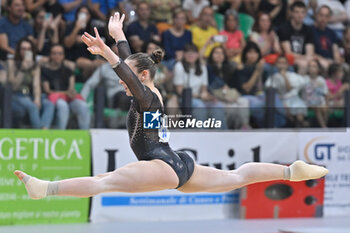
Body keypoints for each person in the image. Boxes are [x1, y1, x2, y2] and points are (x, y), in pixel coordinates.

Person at [14, 13, 328, 200]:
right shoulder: (150, 92)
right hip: (179, 163)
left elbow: (126, 72)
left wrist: (107, 53)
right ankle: (290, 170)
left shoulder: (147, 96)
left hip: (162, 166)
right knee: (235, 178)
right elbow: (130, 66)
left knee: (104, 181)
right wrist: (119, 36)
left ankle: (46, 189)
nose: (123, 83)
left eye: (129, 79)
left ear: (144, 76)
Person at [173, 43, 227, 128]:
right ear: (184, 54)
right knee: (200, 106)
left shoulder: (202, 67)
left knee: (217, 105)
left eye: (193, 52)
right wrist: (200, 96)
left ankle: (222, 135)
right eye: (188, 52)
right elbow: (180, 91)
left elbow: (204, 89)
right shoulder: (179, 66)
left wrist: (206, 96)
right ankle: (201, 135)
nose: (190, 55)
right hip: (185, 98)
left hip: (199, 98)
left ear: (197, 55)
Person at [41, 44, 91, 129]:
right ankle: (61, 134)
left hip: (68, 98)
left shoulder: (68, 70)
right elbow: (48, 90)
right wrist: (65, 93)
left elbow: (71, 89)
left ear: (63, 56)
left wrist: (71, 93)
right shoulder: (45, 70)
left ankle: (84, 133)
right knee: (62, 105)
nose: (57, 56)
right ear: (50, 55)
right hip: (52, 97)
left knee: (83, 106)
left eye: (60, 54)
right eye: (54, 53)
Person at [8, 38, 54, 129]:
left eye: (28, 49)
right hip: (16, 95)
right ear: (19, 50)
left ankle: (44, 130)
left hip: (29, 94)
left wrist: (37, 98)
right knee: (32, 107)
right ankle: (37, 135)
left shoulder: (35, 65)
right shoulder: (11, 62)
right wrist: (23, 69)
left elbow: (36, 85)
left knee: (49, 104)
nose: (26, 51)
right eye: (23, 49)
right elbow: (13, 86)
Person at [207, 45, 250, 129]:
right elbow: (210, 86)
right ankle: (228, 130)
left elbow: (235, 84)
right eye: (216, 53)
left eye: (222, 53)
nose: (219, 55)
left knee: (244, 101)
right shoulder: (208, 68)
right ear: (211, 55)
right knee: (232, 108)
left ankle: (244, 126)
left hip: (229, 95)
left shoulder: (228, 67)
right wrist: (222, 86)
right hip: (216, 96)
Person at [265, 55, 307, 127]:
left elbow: (289, 89)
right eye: (279, 63)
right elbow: (269, 89)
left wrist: (284, 77)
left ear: (287, 65)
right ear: (276, 65)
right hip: (281, 100)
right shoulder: (273, 77)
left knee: (299, 116)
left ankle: (301, 125)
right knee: (285, 110)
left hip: (294, 99)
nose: (282, 65)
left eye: (284, 63)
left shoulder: (293, 76)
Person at [277, 1, 314, 75]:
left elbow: (310, 52)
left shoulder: (308, 30)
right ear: (291, 13)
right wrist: (305, 58)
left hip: (304, 58)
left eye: (302, 12)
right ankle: (300, 86)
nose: (300, 15)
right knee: (304, 64)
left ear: (305, 13)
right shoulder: (284, 29)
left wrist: (307, 58)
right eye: (297, 12)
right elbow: (288, 53)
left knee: (321, 64)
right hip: (288, 59)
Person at [311, 5, 341, 69]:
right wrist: (324, 60)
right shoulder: (310, 30)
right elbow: (311, 52)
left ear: (329, 18)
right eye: (321, 15)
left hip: (330, 61)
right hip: (317, 60)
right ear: (316, 15)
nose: (323, 19)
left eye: (326, 16)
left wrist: (337, 62)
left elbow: (335, 51)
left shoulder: (331, 33)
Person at [303, 59, 328, 128]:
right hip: (307, 102)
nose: (312, 68)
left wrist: (326, 104)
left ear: (318, 69)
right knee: (317, 107)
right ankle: (324, 128)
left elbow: (325, 94)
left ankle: (322, 126)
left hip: (319, 102)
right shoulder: (304, 79)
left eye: (314, 66)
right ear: (308, 69)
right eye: (310, 66)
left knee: (324, 109)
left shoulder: (321, 80)